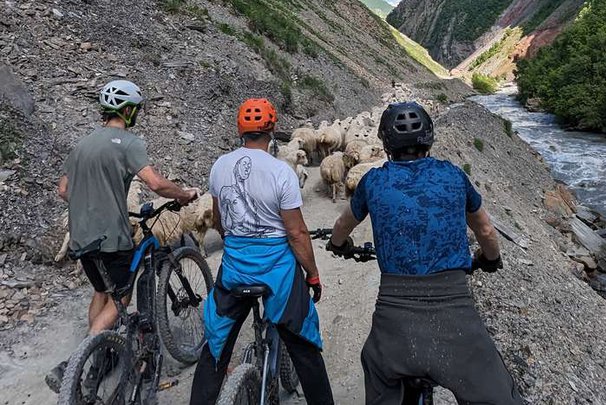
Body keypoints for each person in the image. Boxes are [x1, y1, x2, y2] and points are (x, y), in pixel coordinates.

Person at [326, 102, 523, 404]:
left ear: (385, 141)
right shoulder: (453, 176)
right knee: (498, 393)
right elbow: (486, 231)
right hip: (454, 313)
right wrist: (491, 259)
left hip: (394, 316)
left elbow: (342, 225)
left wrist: (339, 245)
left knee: (375, 367)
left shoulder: (373, 181)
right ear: (429, 137)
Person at [45, 80, 198, 392]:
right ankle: (75, 361)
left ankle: (98, 357)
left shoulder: (82, 145)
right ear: (127, 111)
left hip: (80, 235)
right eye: (136, 110)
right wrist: (182, 194)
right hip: (111, 236)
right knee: (122, 296)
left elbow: (63, 190)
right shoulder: (128, 142)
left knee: (101, 292)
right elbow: (155, 184)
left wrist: (93, 201)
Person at [189, 98, 334, 404]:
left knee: (216, 345)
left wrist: (240, 244)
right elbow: (296, 232)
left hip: (236, 269)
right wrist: (313, 274)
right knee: (305, 347)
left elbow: (219, 221)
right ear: (272, 129)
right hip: (277, 273)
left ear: (240, 130)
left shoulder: (220, 166)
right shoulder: (282, 171)